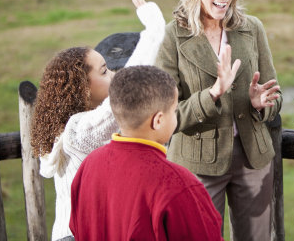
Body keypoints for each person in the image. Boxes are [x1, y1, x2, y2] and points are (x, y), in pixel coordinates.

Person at [155, 0, 282, 241]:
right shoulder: (173, 36)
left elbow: (275, 94)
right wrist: (212, 94)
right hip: (196, 164)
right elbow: (167, 114)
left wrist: (261, 104)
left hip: (252, 159)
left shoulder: (253, 29)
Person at [30, 0, 165, 241]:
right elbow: (129, 90)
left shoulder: (71, 125)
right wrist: (154, 24)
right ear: (82, 89)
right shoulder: (80, 131)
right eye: (104, 71)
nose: (114, 74)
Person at [69, 66, 222, 240]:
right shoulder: (178, 183)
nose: (176, 116)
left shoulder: (89, 165)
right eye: (174, 111)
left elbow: (78, 228)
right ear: (158, 120)